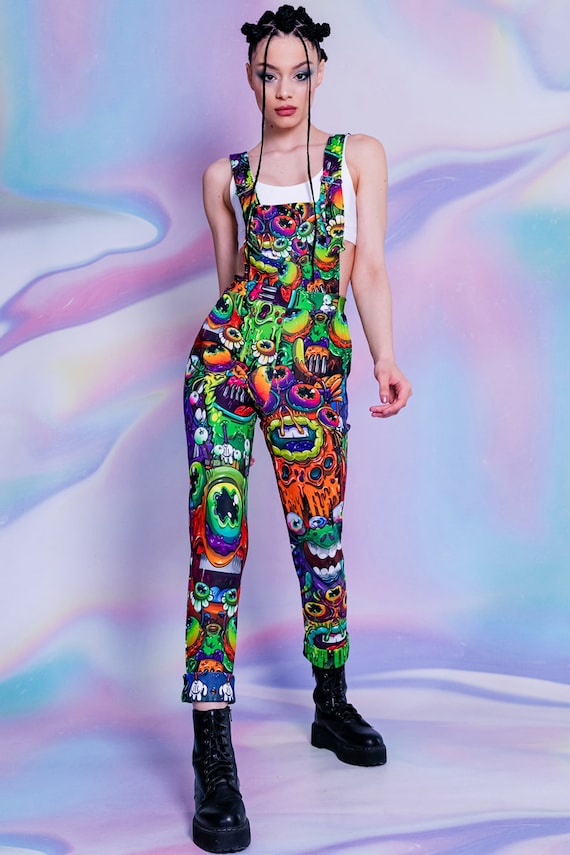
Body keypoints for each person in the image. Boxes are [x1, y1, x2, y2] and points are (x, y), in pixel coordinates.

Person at [182, 5, 412, 852]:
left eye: (300, 72)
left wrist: (384, 356)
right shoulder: (225, 176)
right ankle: (212, 748)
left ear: (319, 74)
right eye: (269, 73)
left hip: (313, 373)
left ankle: (330, 700)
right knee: (217, 543)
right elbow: (231, 285)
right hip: (225, 366)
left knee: (320, 536)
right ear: (250, 79)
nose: (285, 88)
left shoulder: (358, 157)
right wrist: (241, 355)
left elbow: (370, 266)